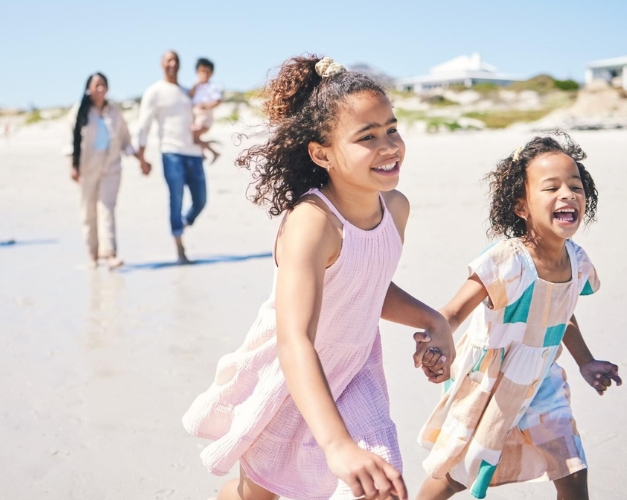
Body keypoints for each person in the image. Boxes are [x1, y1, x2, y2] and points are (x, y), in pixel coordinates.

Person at [182, 56, 455, 500]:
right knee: (259, 495)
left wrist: (432, 319)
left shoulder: (395, 208)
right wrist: (337, 444)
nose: (389, 146)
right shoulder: (313, 223)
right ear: (321, 153)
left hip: (357, 370)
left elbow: (367, 286)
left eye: (392, 129)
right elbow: (295, 340)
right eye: (367, 137)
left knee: (381, 485)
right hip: (292, 373)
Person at [416, 133, 622, 500]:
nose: (567, 194)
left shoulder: (577, 261)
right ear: (521, 206)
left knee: (572, 470)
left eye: (575, 186)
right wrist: (435, 338)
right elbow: (453, 311)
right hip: (492, 381)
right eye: (551, 187)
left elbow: (561, 312)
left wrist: (586, 362)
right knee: (459, 471)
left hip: (542, 379)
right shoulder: (508, 261)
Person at [68, 72, 144, 269]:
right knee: (88, 212)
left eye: (103, 85)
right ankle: (92, 255)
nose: (100, 89)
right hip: (87, 168)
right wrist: (73, 166)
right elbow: (70, 141)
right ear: (89, 88)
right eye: (97, 85)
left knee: (107, 208)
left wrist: (140, 159)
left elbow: (125, 139)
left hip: (111, 167)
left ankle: (110, 254)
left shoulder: (114, 110)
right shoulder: (79, 111)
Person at [137, 50, 206, 264]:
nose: (172, 64)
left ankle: (181, 224)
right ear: (161, 64)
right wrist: (142, 157)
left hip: (194, 153)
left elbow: (201, 116)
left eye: (175, 60)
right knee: (176, 198)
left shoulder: (187, 92)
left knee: (201, 200)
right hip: (171, 152)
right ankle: (180, 247)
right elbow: (143, 125)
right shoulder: (154, 92)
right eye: (168, 60)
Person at [189, 57, 221, 163]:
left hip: (205, 116)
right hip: (196, 115)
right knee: (193, 136)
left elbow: (218, 101)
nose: (204, 75)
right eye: (202, 72)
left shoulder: (211, 87)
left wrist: (205, 106)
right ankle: (208, 153)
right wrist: (196, 85)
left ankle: (206, 153)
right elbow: (190, 95)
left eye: (207, 72)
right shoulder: (197, 86)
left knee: (194, 133)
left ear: (211, 74)